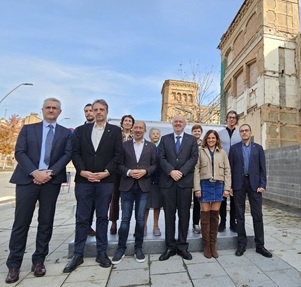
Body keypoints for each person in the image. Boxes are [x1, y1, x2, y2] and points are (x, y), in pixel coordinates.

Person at [5, 98, 72, 284]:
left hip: (51, 182)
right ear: (42, 110)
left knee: (46, 222)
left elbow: (67, 154)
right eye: (48, 108)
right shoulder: (28, 129)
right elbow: (20, 152)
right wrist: (35, 172)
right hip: (27, 180)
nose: (51, 110)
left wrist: (49, 173)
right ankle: (14, 265)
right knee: (21, 222)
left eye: (55, 108)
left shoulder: (65, 133)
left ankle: (39, 261)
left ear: (59, 111)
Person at [63, 99, 123, 273]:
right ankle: (78, 254)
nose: (98, 112)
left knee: (102, 217)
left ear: (107, 111)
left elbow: (117, 155)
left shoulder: (115, 131)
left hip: (105, 181)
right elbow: (75, 153)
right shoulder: (81, 131)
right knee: (82, 218)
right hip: (84, 181)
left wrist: (106, 172)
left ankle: (101, 252)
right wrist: (82, 171)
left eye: (101, 109)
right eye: (95, 109)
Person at [111, 121, 157, 264]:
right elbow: (118, 165)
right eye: (135, 127)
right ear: (132, 130)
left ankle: (139, 248)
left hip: (143, 187)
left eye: (140, 128)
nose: (137, 130)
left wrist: (145, 171)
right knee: (125, 219)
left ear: (144, 130)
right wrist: (129, 172)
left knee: (140, 219)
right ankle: (121, 248)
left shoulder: (151, 146)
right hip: (127, 186)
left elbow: (155, 165)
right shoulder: (124, 145)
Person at [158, 115, 198, 261]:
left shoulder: (192, 140)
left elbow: (193, 158)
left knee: (184, 216)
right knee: (169, 216)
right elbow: (160, 158)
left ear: (185, 124)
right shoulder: (165, 139)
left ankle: (182, 246)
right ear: (172, 124)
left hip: (184, 183)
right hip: (168, 183)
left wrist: (181, 172)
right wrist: (171, 171)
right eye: (175, 122)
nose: (178, 123)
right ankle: (169, 247)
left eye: (181, 122)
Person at [229, 124, 272, 258]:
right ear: (240, 134)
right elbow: (230, 169)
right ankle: (242, 244)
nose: (244, 133)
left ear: (251, 132)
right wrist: (229, 186)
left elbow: (262, 168)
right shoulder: (234, 148)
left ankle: (260, 245)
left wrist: (262, 184)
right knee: (239, 215)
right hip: (238, 185)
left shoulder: (258, 148)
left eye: (246, 130)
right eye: (241, 131)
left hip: (255, 185)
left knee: (257, 215)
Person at [193, 130, 231, 259]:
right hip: (205, 185)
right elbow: (196, 170)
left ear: (217, 139)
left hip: (218, 185)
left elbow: (227, 170)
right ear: (206, 139)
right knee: (205, 214)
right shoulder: (200, 151)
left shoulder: (222, 152)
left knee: (215, 216)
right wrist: (196, 188)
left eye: (213, 138)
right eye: (209, 138)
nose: (211, 140)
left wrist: (227, 188)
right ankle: (206, 245)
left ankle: (213, 245)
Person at [109, 114, 135, 234]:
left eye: (130, 121)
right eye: (126, 121)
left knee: (127, 199)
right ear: (122, 122)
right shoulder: (116, 135)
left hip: (129, 171)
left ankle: (125, 224)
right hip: (116, 171)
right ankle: (113, 222)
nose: (128, 123)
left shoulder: (134, 136)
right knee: (115, 198)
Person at [218, 110, 241, 232]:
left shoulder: (240, 133)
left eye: (234, 117)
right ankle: (222, 222)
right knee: (223, 196)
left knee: (235, 197)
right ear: (226, 119)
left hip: (236, 168)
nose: (231, 119)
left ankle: (233, 222)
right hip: (222, 168)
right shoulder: (220, 134)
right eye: (229, 117)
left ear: (236, 119)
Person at [144, 127, 162, 236]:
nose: (155, 135)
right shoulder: (146, 146)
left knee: (157, 204)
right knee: (145, 204)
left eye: (157, 133)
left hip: (159, 179)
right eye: (153, 133)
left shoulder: (162, 147)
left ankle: (156, 225)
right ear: (149, 136)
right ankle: (144, 225)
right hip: (146, 178)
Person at [83, 103, 96, 236]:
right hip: (84, 175)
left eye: (91, 110)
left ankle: (90, 226)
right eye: (86, 111)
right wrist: (82, 170)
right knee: (83, 206)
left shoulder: (104, 130)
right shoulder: (80, 130)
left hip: (100, 175)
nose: (89, 113)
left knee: (96, 205)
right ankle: (84, 227)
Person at [191, 124, 203, 234]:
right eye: (194, 131)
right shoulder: (188, 142)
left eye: (198, 131)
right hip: (187, 174)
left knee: (197, 202)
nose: (196, 133)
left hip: (198, 175)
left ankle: (196, 223)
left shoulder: (204, 144)